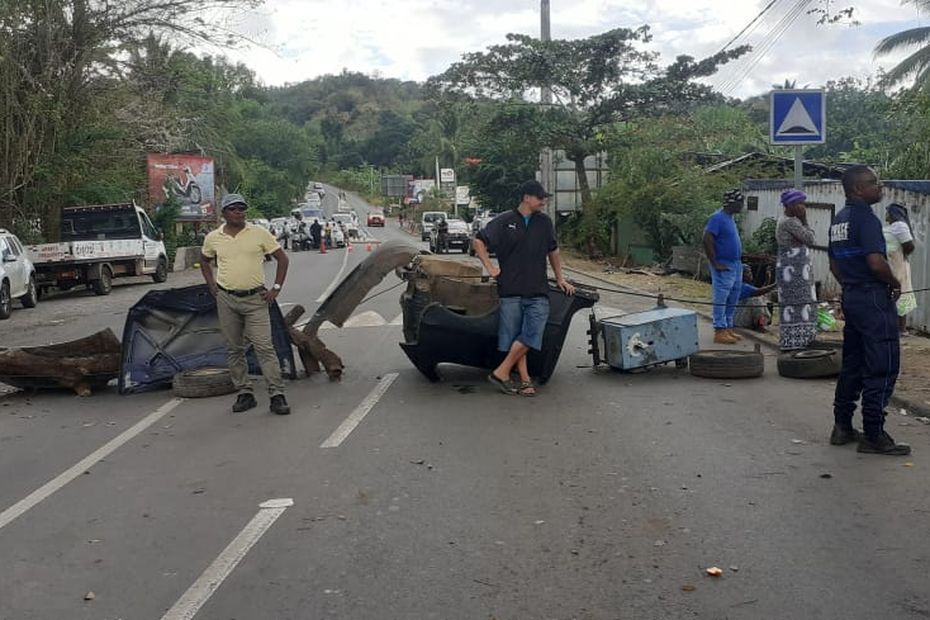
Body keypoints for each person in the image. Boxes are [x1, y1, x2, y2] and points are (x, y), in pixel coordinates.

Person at [828, 166, 909, 455]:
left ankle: (842, 426)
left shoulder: (839, 220)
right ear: (858, 189)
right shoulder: (867, 220)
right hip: (873, 299)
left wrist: (850, 285)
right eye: (874, 183)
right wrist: (894, 282)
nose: (880, 187)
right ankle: (874, 434)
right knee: (882, 364)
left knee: (853, 363)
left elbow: (834, 264)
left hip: (852, 296)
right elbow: (876, 263)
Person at [474, 180, 575, 397]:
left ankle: (501, 372)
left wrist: (560, 278)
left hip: (538, 289)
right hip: (510, 289)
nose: (543, 202)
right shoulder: (504, 221)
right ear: (527, 197)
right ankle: (525, 380)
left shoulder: (544, 223)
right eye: (540, 198)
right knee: (516, 337)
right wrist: (490, 267)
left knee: (532, 331)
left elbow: (553, 251)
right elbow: (479, 241)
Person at [200, 194, 291, 416]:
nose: (238, 212)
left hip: (255, 299)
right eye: (233, 209)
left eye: (242, 209)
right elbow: (204, 260)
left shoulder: (259, 233)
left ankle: (276, 394)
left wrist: (276, 288)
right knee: (234, 348)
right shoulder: (214, 238)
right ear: (224, 214)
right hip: (227, 299)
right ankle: (244, 392)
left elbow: (282, 258)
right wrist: (212, 285)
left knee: (264, 347)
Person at [776, 189, 819, 350]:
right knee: (799, 305)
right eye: (799, 204)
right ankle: (799, 344)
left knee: (798, 305)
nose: (803, 207)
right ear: (789, 205)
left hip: (796, 271)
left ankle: (796, 342)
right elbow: (810, 239)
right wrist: (804, 219)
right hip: (794, 273)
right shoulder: (791, 222)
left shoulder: (787, 219)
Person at [702, 189, 745, 344]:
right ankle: (719, 330)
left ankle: (727, 327)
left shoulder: (730, 218)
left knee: (733, 296)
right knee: (721, 296)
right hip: (723, 264)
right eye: (740, 202)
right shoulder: (717, 217)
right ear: (732, 203)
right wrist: (715, 262)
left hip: (735, 264)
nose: (742, 205)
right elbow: (707, 238)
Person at [883, 203, 918, 334]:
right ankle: (896, 328)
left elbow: (909, 246)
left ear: (893, 214)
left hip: (897, 265)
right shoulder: (893, 227)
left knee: (900, 293)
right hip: (892, 263)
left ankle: (901, 329)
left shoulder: (900, 226)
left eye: (888, 212)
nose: (886, 214)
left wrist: (897, 254)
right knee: (895, 293)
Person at [733, 264, 775, 332]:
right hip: (738, 320)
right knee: (756, 300)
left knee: (761, 298)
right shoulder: (741, 286)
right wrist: (776, 284)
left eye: (750, 272)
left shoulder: (740, 284)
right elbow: (759, 292)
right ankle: (760, 325)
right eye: (748, 272)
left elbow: (760, 292)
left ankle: (761, 323)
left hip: (736, 318)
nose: (751, 274)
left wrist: (768, 278)